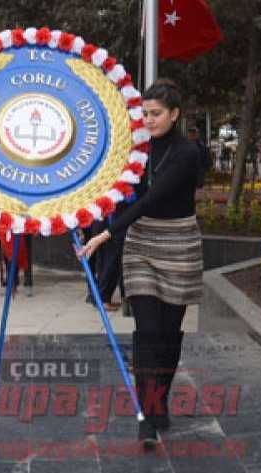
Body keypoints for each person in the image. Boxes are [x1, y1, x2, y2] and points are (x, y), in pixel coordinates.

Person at [79, 80, 203, 448]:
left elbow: (153, 198)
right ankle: (147, 415)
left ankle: (160, 397)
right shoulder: (135, 151)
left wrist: (106, 234)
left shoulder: (187, 153)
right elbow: (106, 181)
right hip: (141, 243)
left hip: (178, 242)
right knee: (147, 330)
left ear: (174, 114)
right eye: (144, 113)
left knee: (168, 332)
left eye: (156, 114)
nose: (148, 120)